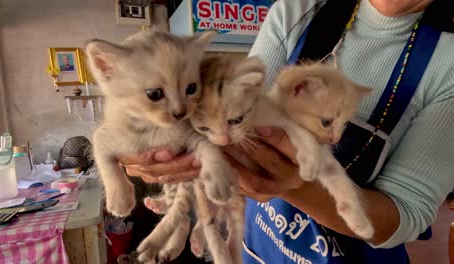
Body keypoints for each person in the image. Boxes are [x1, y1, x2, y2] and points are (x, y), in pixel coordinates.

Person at [119, 0, 454, 263]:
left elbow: (407, 213)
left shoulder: (446, 60)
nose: (336, 136)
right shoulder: (298, 10)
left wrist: (294, 185)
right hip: (262, 246)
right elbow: (230, 114)